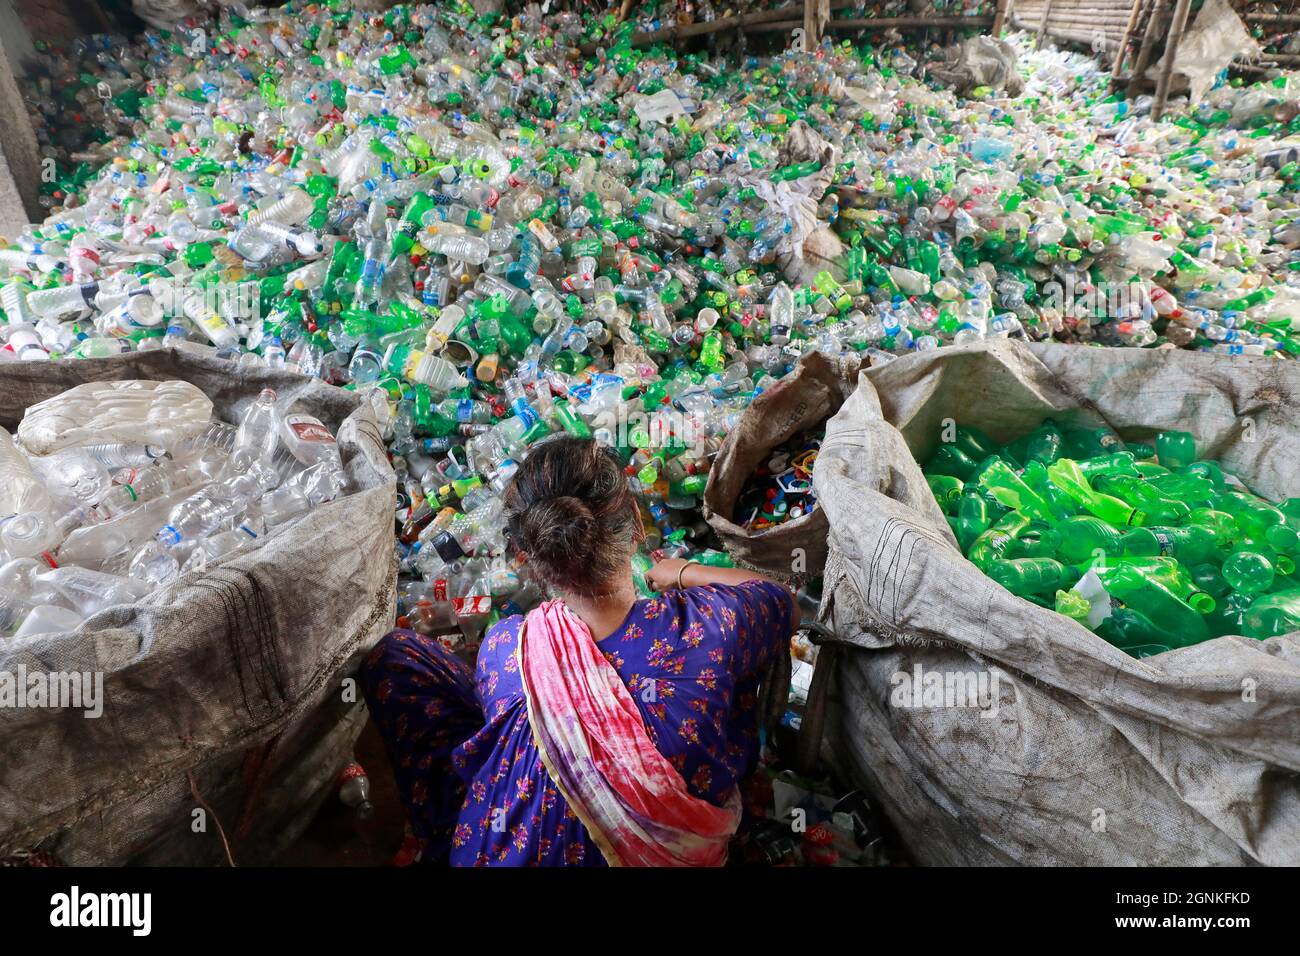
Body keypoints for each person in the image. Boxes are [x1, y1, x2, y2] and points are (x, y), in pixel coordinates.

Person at [360, 436, 797, 866]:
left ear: (529, 559)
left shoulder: (508, 645)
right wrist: (680, 570)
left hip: (490, 853)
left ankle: (435, 834)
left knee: (399, 656)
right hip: (655, 851)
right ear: (638, 529)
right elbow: (780, 598)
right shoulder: (708, 627)